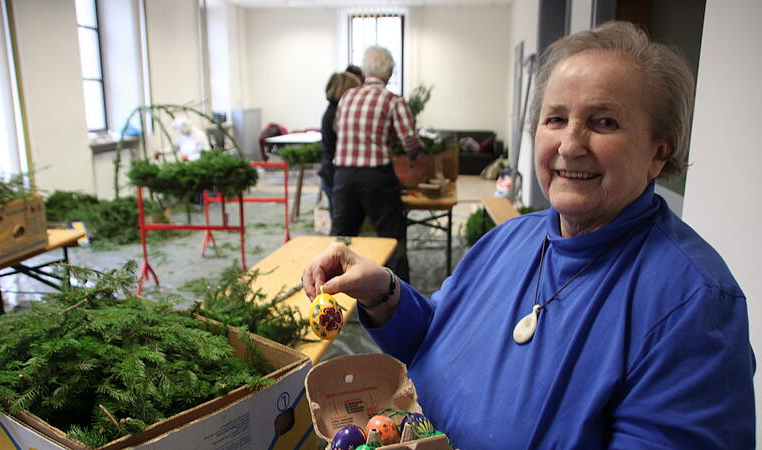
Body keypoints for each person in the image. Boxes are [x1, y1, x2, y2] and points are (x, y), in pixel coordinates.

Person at [302, 22, 755, 448]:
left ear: (659, 152)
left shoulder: (694, 304)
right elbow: (437, 334)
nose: (571, 144)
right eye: (555, 118)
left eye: (604, 122)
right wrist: (383, 292)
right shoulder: (511, 237)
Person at [331, 46, 423, 282]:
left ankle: (331, 298)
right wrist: (416, 155)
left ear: (364, 71)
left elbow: (338, 130)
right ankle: (400, 296)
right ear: (390, 73)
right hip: (377, 178)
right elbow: (410, 141)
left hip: (343, 177)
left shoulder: (347, 97)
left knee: (340, 240)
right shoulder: (392, 100)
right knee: (391, 239)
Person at [318, 70, 361, 214]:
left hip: (330, 172)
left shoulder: (332, 111)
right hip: (335, 174)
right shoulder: (337, 114)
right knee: (341, 222)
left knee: (339, 219)